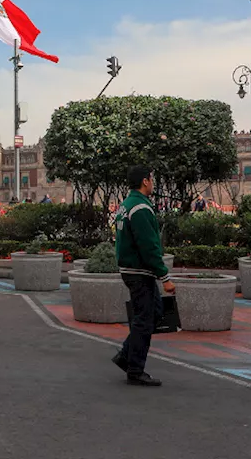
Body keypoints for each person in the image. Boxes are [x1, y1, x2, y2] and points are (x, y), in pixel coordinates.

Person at [111, 166, 174, 387]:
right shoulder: (140, 208)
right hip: (139, 272)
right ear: (145, 181)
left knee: (153, 313)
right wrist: (165, 277)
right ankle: (135, 369)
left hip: (133, 270)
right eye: (152, 178)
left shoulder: (127, 205)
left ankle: (126, 356)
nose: (153, 183)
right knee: (144, 320)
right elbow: (148, 246)